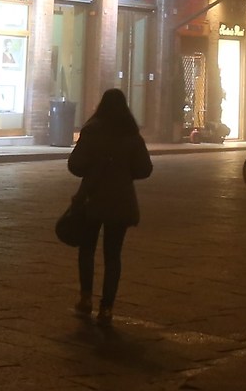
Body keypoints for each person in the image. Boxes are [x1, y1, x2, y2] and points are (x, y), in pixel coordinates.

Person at [66, 88, 152, 329]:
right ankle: (107, 307)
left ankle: (85, 298)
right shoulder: (131, 134)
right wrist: (124, 173)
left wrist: (93, 168)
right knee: (113, 255)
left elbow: (75, 165)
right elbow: (145, 169)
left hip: (92, 198)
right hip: (121, 200)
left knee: (87, 249)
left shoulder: (92, 130)